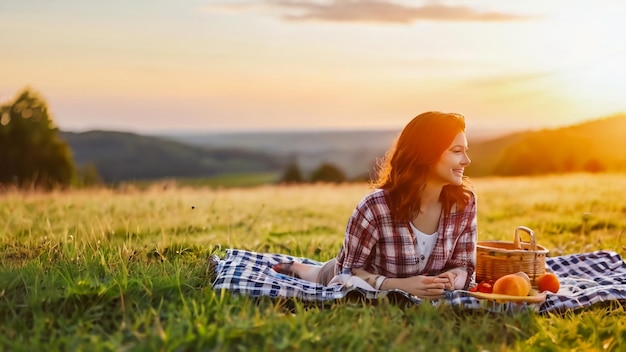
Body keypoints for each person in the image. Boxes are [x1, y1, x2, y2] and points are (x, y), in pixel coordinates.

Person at [274, 111, 477, 299]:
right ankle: (302, 269)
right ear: (426, 154)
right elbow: (346, 273)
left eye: (465, 151)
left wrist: (452, 278)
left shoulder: (465, 203)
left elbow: (464, 265)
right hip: (348, 272)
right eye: (457, 151)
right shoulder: (375, 206)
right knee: (320, 273)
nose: (467, 160)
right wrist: (401, 286)